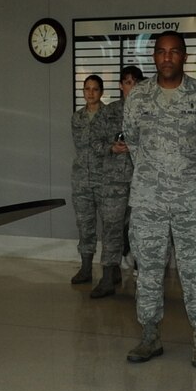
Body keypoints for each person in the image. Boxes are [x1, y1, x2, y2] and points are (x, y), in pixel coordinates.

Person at [123, 31, 196, 367]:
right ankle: (150, 336)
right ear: (154, 57)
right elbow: (133, 143)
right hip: (149, 200)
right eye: (161, 52)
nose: (167, 58)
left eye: (174, 52)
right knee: (147, 270)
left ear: (184, 56)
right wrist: (156, 175)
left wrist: (183, 178)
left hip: (193, 201)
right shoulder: (137, 98)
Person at [89, 65, 144, 297]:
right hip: (113, 182)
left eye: (135, 82)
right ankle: (109, 277)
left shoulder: (149, 112)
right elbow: (93, 141)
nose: (131, 87)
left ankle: (144, 278)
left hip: (142, 181)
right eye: (127, 82)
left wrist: (137, 146)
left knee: (142, 230)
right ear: (121, 86)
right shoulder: (108, 112)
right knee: (111, 228)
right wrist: (112, 147)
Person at [70, 74, 114, 288]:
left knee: (109, 227)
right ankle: (86, 268)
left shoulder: (109, 116)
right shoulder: (76, 118)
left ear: (101, 92)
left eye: (95, 89)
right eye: (87, 89)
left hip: (105, 179)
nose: (90, 93)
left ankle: (110, 271)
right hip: (81, 181)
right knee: (85, 225)